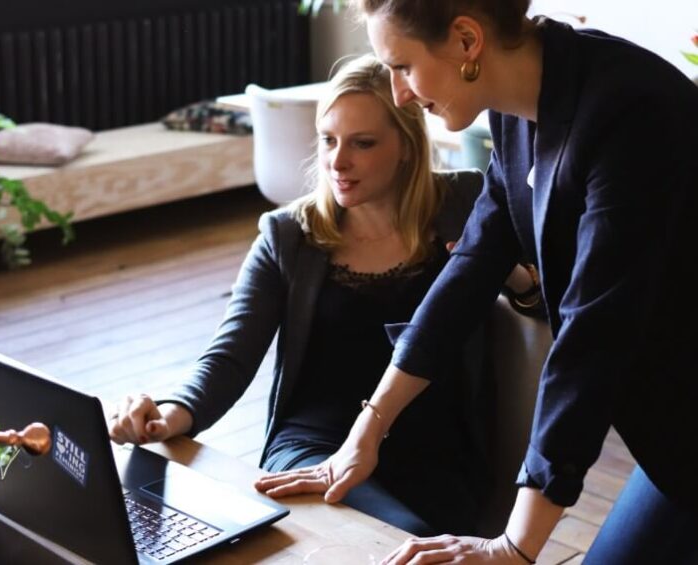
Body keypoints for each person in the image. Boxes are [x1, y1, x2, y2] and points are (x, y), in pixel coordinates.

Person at [255, 1, 698, 564]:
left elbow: (593, 338)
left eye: (404, 67)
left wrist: (513, 548)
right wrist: (367, 432)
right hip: (673, 433)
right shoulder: (519, 111)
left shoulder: (631, 111)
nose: (399, 95)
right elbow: (472, 266)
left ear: (467, 41)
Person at [110, 54, 496, 536]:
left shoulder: (466, 204)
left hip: (437, 451)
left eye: (363, 143)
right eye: (328, 140)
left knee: (410, 535)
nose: (338, 161)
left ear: (407, 146)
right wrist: (170, 414)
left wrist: (520, 279)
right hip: (315, 448)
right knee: (394, 536)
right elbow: (230, 356)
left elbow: (543, 304)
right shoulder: (289, 235)